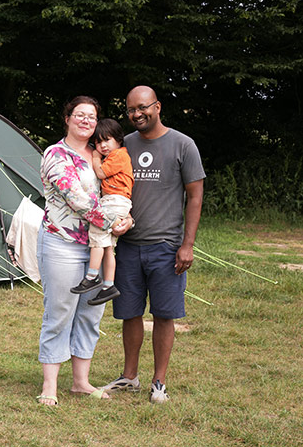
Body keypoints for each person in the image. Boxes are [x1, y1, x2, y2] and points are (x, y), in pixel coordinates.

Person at [102, 85, 205, 404]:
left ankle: (158, 381)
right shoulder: (124, 144)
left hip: (166, 246)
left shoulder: (182, 145)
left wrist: (187, 244)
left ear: (157, 107)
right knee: (129, 314)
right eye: (131, 110)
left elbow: (195, 195)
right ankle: (129, 376)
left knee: (164, 314)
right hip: (128, 246)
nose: (137, 114)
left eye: (143, 107)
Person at [36, 96, 130, 406]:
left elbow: (117, 191)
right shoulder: (55, 155)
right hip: (62, 243)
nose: (86, 121)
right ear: (67, 118)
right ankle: (50, 385)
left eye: (91, 116)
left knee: (91, 313)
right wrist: (111, 221)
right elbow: (75, 197)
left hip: (98, 246)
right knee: (60, 311)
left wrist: (127, 218)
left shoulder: (102, 155)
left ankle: (80, 382)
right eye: (80, 115)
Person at [70, 119, 134, 306]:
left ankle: (92, 277)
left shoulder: (119, 156)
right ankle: (108, 285)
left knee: (97, 236)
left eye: (107, 140)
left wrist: (96, 157)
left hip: (114, 201)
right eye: (98, 142)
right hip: (116, 201)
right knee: (107, 247)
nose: (102, 145)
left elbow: (101, 173)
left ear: (119, 139)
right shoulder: (117, 155)